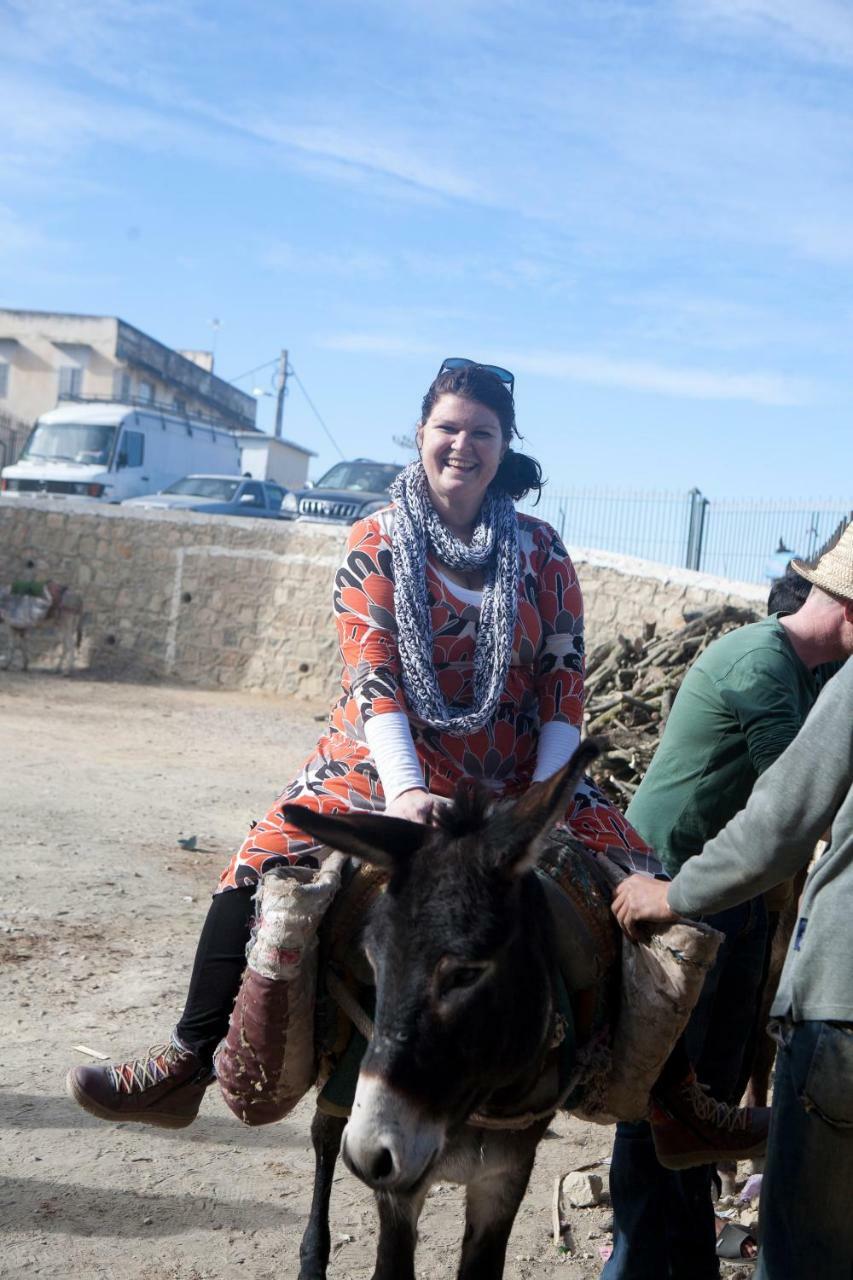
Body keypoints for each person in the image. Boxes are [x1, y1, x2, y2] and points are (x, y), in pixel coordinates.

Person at [68, 357, 658, 1128]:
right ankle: (188, 1061)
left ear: (502, 445)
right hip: (378, 769)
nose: (462, 445)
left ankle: (670, 1094)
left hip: (517, 779)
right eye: (448, 428)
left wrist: (541, 805)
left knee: (656, 890)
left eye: (481, 432)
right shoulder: (374, 538)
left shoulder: (542, 552)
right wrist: (407, 790)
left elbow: (561, 682)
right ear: (420, 434)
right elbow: (373, 671)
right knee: (257, 864)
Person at [601, 522, 853, 1280]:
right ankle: (637, 1263)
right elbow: (790, 801)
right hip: (672, 897)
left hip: (727, 894)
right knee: (660, 1107)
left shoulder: (817, 676)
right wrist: (674, 897)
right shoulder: (759, 663)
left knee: (698, 1114)